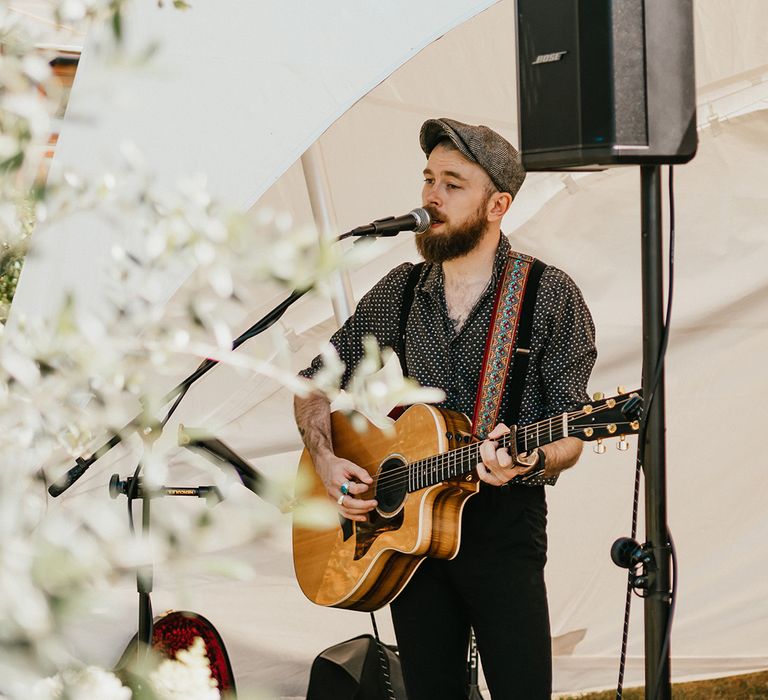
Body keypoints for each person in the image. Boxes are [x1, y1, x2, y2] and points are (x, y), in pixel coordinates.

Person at [295, 118, 596, 699]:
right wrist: (328, 461)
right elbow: (314, 385)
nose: (431, 195)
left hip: (502, 528)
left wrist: (530, 461)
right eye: (429, 179)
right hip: (409, 533)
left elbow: (572, 429)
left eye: (453, 183)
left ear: (497, 204)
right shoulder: (403, 290)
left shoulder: (548, 295)